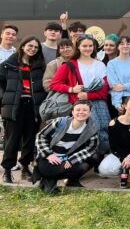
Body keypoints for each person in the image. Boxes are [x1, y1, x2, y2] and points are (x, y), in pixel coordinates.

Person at [50, 36, 110, 155]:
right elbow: (54, 84)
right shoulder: (69, 65)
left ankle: (100, 160)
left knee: (103, 131)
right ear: (78, 47)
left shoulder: (100, 65)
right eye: (84, 46)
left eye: (90, 46)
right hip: (79, 106)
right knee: (82, 133)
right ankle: (82, 160)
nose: (88, 48)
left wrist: (88, 96)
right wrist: (71, 89)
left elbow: (104, 91)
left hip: (99, 105)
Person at [0, 37, 46, 183]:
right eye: (30, 46)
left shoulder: (39, 66)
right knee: (12, 139)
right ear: (23, 46)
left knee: (30, 138)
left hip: (32, 106)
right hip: (15, 106)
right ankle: (7, 170)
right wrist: (3, 99)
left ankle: (25, 167)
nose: (32, 49)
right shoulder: (9, 64)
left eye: (36, 47)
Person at [34, 100, 99, 194]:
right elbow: (41, 136)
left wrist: (72, 160)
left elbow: (91, 148)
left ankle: (69, 181)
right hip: (50, 157)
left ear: (90, 113)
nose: (81, 112)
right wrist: (48, 154)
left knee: (88, 162)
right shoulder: (60, 122)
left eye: (85, 110)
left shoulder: (91, 129)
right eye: (78, 110)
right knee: (46, 171)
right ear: (72, 112)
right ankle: (49, 180)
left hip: (67, 158)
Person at [106, 36, 130, 112]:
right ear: (118, 47)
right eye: (122, 44)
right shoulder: (111, 64)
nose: (125, 46)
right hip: (118, 100)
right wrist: (117, 104)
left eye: (128, 44)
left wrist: (124, 86)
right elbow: (114, 86)